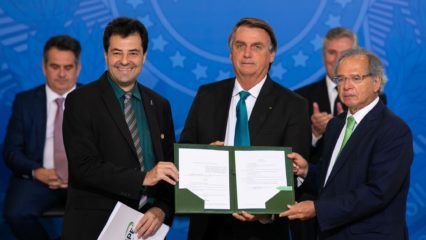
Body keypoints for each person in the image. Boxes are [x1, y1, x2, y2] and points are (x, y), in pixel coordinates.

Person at [180, 17, 311, 240]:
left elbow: (296, 172)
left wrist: (265, 213)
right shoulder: (206, 96)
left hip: (264, 231)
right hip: (208, 229)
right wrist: (203, 157)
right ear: (231, 53)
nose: (247, 53)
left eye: (257, 47)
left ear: (271, 55)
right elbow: (184, 154)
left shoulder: (293, 105)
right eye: (240, 46)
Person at [62, 17, 178, 239]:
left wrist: (161, 209)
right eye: (117, 52)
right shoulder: (81, 101)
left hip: (146, 229)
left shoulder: (160, 104)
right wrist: (143, 178)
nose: (125, 61)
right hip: (95, 227)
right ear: (105, 55)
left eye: (133, 53)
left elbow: (169, 167)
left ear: (144, 56)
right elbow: (83, 167)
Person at [280, 48, 413, 240]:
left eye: (356, 78)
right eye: (340, 79)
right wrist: (307, 171)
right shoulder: (336, 124)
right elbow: (335, 181)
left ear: (376, 82)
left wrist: (318, 208)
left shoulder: (394, 131)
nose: (346, 86)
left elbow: (377, 192)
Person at [3, 35, 81, 240]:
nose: (62, 74)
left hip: (84, 181)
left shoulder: (96, 101)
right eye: (55, 66)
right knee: (15, 213)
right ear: (44, 68)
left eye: (68, 67)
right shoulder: (25, 102)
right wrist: (37, 172)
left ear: (78, 68)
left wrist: (80, 174)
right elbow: (11, 151)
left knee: (106, 212)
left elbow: (108, 150)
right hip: (38, 178)